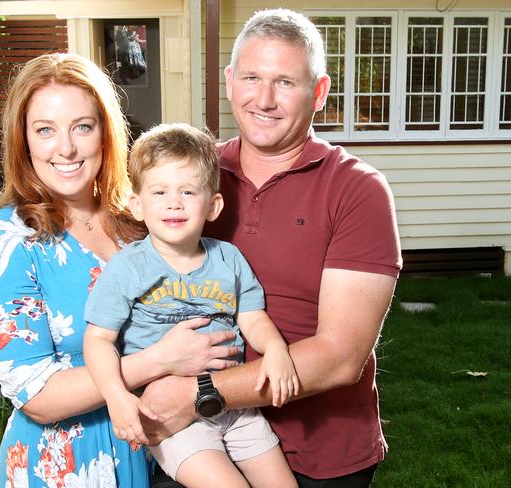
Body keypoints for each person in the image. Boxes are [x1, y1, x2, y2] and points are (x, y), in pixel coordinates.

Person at [140, 9, 403, 488]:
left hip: (320, 454)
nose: (263, 99)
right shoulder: (191, 180)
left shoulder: (357, 190)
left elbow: (341, 356)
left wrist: (196, 392)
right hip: (200, 444)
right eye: (251, 77)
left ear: (319, 92)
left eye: (285, 82)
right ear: (229, 81)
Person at [0, 53, 238, 488]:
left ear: (105, 132)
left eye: (82, 126)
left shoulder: (137, 221)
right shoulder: (6, 242)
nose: (67, 148)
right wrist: (158, 360)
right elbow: (36, 396)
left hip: (156, 450)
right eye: (45, 130)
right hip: (64, 465)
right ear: (24, 141)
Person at [83, 123, 299, 488]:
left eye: (187, 191)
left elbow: (252, 317)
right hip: (173, 421)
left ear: (213, 205)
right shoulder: (128, 267)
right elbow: (98, 340)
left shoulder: (228, 259)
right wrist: (116, 395)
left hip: (235, 405)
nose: (174, 202)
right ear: (137, 204)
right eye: (160, 191)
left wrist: (276, 348)